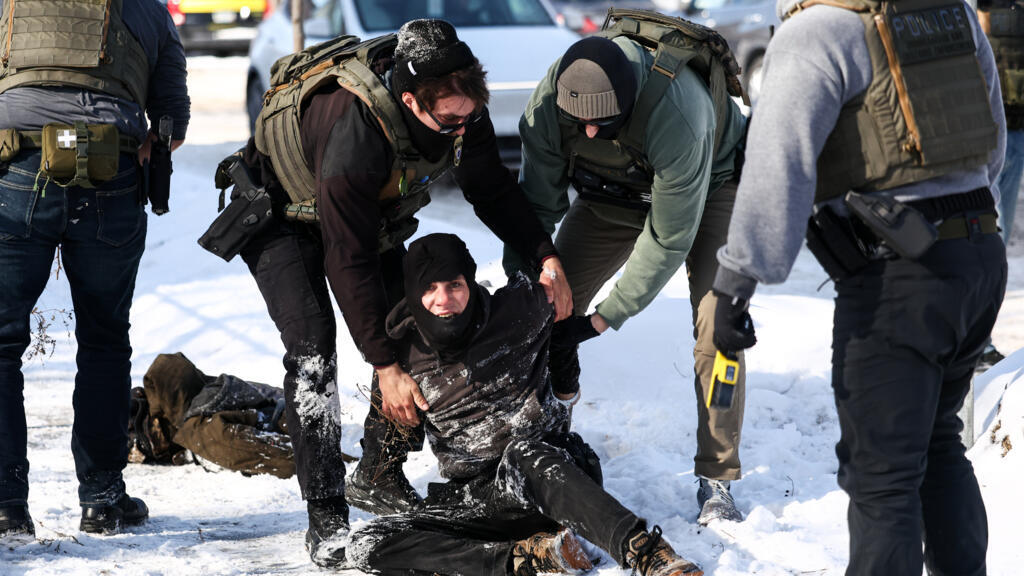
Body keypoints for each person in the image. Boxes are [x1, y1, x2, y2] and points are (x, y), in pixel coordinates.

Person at [216, 19, 571, 566]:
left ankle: (377, 473)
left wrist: (545, 255)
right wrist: (382, 365)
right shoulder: (355, 132)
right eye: (449, 121)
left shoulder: (460, 106)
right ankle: (327, 515)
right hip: (279, 214)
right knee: (313, 352)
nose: (462, 128)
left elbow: (490, 188)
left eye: (469, 116)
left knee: (414, 327)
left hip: (362, 217)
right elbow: (347, 257)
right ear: (410, 101)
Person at [712, 0, 1007, 573]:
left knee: (883, 477)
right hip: (978, 254)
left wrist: (736, 280)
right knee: (938, 442)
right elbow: (990, 145)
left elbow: (779, 164)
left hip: (899, 274)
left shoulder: (816, 30)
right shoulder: (951, 13)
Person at [344, 233, 702, 576]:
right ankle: (523, 558)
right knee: (366, 542)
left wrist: (568, 379)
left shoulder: (518, 310)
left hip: (554, 473)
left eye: (454, 285)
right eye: (429, 288)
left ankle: (645, 551)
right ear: (412, 292)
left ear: (470, 282)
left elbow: (560, 330)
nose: (444, 299)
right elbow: (388, 448)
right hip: (481, 498)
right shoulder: (399, 361)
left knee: (523, 454)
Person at [508, 17, 749, 525]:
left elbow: (668, 238)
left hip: (710, 186)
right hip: (612, 193)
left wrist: (603, 318)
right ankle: (543, 439)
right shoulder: (551, 101)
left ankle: (718, 476)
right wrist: (529, 284)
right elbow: (536, 206)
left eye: (603, 123)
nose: (590, 133)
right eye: (580, 123)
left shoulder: (679, 113)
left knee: (719, 326)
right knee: (537, 308)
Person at [0, 0, 189, 538]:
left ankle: (6, 506)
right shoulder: (148, 9)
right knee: (105, 341)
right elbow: (172, 121)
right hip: (110, 170)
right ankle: (102, 499)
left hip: (18, 168)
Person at [976, 0, 1022, 370]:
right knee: (991, 238)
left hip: (1014, 127)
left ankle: (979, 341)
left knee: (994, 240)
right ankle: (977, 342)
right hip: (996, 126)